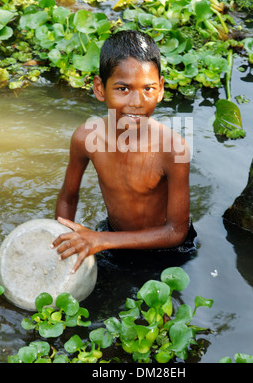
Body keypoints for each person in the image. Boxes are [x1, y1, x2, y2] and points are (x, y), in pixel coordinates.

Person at [51, 30, 196, 272]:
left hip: (166, 250)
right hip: (111, 237)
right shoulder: (85, 138)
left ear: (160, 89)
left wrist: (101, 240)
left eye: (148, 88)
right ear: (99, 88)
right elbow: (68, 198)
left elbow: (176, 231)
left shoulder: (173, 149)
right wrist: (61, 237)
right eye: (123, 89)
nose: (137, 102)